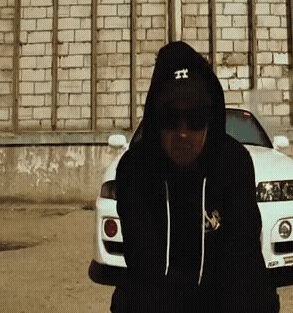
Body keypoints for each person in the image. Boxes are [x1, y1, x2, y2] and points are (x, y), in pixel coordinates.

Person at [111, 41, 280, 312]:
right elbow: (145, 268)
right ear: (155, 119)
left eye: (196, 117)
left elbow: (242, 264)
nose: (182, 133)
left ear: (211, 118)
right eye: (169, 117)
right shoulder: (135, 170)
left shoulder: (233, 164)